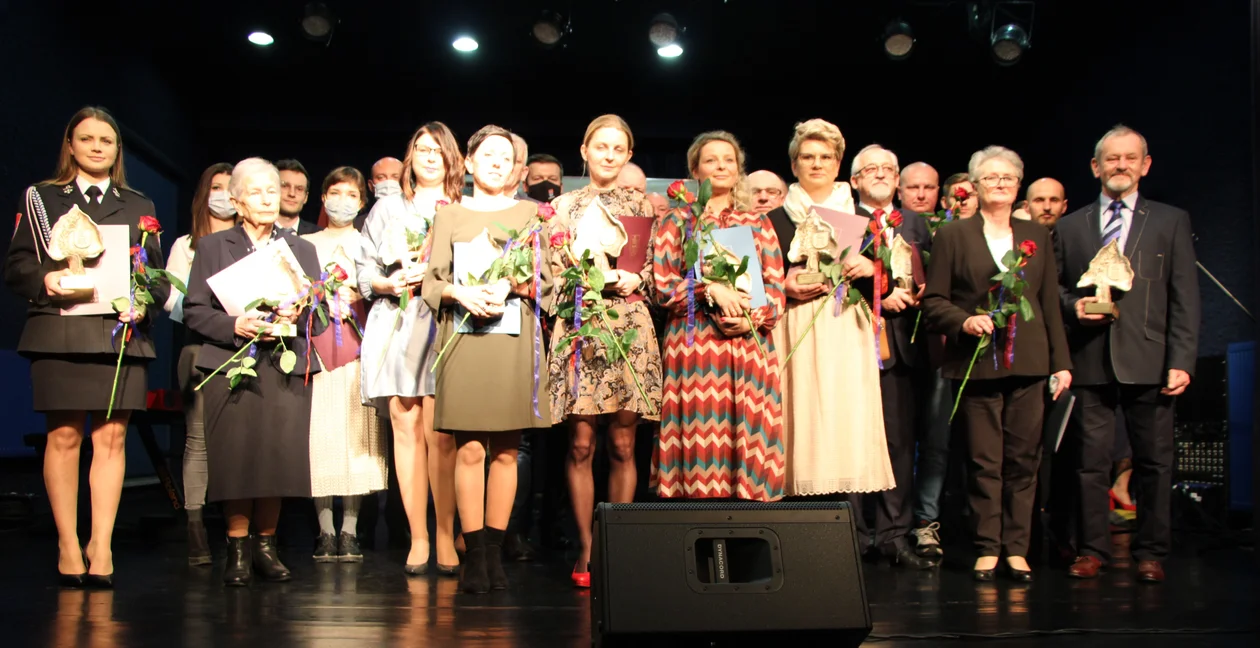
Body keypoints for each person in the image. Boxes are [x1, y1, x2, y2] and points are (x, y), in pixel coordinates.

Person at [5, 106, 168, 588]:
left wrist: (143, 303)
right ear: (70, 145)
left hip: (120, 337)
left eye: (106, 140)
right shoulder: (41, 198)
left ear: (118, 150)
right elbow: (17, 265)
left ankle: (101, 543)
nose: (97, 147)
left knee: (112, 438)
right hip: (60, 331)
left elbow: (156, 278)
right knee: (64, 437)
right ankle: (67, 543)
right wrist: (46, 279)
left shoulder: (139, 205)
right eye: (87, 138)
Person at [1056, 125, 1199, 584]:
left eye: (1130, 158)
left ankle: (1151, 552)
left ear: (1145, 165)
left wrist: (1182, 359)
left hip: (1151, 358)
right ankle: (1091, 549)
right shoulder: (1070, 225)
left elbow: (1184, 295)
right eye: (1112, 158)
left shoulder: (1170, 220)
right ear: (1095, 167)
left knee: (1154, 461)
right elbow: (1054, 290)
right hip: (1090, 357)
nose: (1121, 166)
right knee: (1089, 462)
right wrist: (1074, 307)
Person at [922, 145, 1072, 582]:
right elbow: (934, 301)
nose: (1000, 184)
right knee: (983, 460)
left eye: (1008, 177)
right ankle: (987, 546)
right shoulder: (953, 235)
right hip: (977, 361)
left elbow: (1048, 303)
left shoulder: (1036, 234)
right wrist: (964, 321)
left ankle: (1017, 548)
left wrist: (1061, 363)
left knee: (1024, 460)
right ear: (975, 185)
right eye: (991, 177)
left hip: (1030, 360)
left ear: (1018, 184)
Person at [423, 125, 554, 594]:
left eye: (506, 157)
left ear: (516, 168)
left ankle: (495, 553)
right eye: (489, 154)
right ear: (470, 162)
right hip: (464, 336)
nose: (498, 163)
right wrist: (460, 292)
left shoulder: (529, 214)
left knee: (506, 451)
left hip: (511, 337)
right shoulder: (450, 214)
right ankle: (474, 554)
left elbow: (548, 281)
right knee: (470, 448)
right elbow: (431, 283)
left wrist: (510, 285)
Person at [183, 157, 326, 586]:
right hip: (232, 364)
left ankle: (266, 547)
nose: (268, 199)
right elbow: (195, 310)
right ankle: (237, 549)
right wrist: (234, 325)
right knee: (236, 458)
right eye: (256, 192)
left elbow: (318, 319)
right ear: (236, 201)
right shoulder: (213, 247)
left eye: (273, 191)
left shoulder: (302, 250)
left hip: (284, 364)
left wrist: (301, 312)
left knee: (276, 458)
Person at [547, 115, 663, 588]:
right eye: (601, 146)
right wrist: (584, 281)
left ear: (628, 155)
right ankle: (587, 548)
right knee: (580, 444)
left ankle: (615, 546)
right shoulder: (562, 207)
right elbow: (553, 271)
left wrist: (639, 278)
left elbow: (659, 270)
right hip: (581, 324)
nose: (609, 155)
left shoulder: (644, 207)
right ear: (585, 150)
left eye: (618, 148)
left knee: (622, 443)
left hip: (629, 324)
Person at [650, 131, 786, 502]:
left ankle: (751, 524)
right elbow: (663, 287)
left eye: (729, 160)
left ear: (738, 169)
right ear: (695, 169)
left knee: (751, 435)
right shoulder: (677, 220)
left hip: (748, 345)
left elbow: (776, 290)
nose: (721, 166)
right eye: (711, 160)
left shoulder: (758, 223)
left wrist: (751, 320)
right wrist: (708, 289)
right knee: (700, 436)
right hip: (695, 345)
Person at [357, 122, 464, 575]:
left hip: (444, 319)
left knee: (440, 431)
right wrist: (387, 281)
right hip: (397, 318)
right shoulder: (387, 207)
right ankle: (417, 535)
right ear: (410, 157)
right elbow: (364, 269)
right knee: (405, 422)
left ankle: (446, 533)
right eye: (421, 149)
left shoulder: (462, 207)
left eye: (438, 150)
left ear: (452, 158)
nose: (429, 157)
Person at [768, 119, 894, 499]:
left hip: (845, 327)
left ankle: (839, 509)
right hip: (794, 325)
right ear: (794, 164)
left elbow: (885, 286)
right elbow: (758, 283)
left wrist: (870, 269)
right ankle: (794, 504)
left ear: (838, 164)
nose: (817, 164)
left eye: (825, 157)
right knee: (800, 413)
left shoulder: (863, 218)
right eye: (808, 157)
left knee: (842, 415)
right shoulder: (773, 220)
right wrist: (783, 286)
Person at [849, 144, 936, 569]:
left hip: (903, 347)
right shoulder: (842, 220)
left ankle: (893, 535)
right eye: (871, 169)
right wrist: (879, 293)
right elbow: (833, 279)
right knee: (852, 440)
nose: (881, 174)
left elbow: (932, 278)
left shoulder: (918, 224)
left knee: (900, 443)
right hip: (852, 342)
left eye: (888, 168)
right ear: (854, 180)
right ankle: (851, 535)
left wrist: (921, 293)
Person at [304, 167, 386, 562]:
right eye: (335, 193)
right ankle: (324, 530)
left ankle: (350, 529)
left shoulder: (368, 243)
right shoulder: (305, 244)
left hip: (359, 348)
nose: (342, 201)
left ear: (362, 202)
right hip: (316, 349)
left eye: (351, 195)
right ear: (323, 198)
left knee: (357, 438)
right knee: (320, 438)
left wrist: (360, 293)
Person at [163, 162, 236, 566]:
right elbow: (172, 300)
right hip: (198, 347)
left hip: (242, 350)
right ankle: (195, 529)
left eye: (230, 187)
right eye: (216, 187)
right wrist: (210, 311)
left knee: (237, 441)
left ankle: (238, 530)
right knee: (198, 440)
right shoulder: (186, 245)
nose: (224, 195)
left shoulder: (248, 244)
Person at [275, 159, 319, 235]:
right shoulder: (256, 232)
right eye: (285, 186)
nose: (292, 194)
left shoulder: (318, 235)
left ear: (306, 197)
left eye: (299, 189)